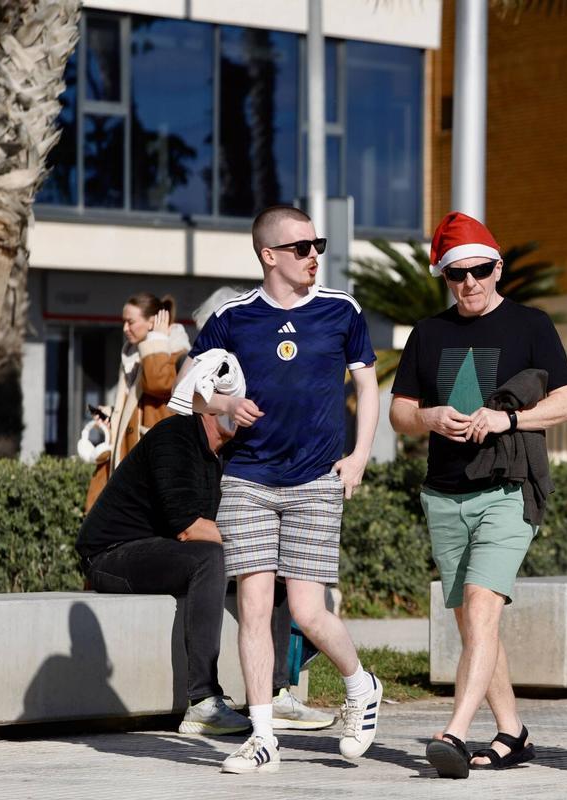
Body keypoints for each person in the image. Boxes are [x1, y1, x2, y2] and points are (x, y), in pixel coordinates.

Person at [178, 205, 381, 774]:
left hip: (316, 478)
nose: (314, 254)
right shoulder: (233, 317)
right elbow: (186, 387)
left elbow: (367, 387)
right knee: (253, 605)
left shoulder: (341, 311)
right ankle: (263, 734)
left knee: (310, 613)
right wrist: (223, 404)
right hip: (247, 480)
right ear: (269, 256)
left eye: (317, 245)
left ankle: (361, 684)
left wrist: (359, 457)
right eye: (301, 247)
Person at [390, 211, 567, 778]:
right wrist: (431, 416)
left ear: (498, 268)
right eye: (457, 274)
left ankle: (453, 732)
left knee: (481, 605)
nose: (470, 283)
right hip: (443, 494)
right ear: (444, 278)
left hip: (509, 489)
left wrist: (509, 421)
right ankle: (513, 734)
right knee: (474, 624)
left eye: (480, 270)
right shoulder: (428, 333)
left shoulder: (531, 325)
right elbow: (400, 413)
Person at [76, 411, 249, 736]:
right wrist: (254, 538)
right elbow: (188, 529)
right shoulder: (175, 436)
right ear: (212, 404)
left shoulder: (229, 452)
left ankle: (276, 692)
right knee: (210, 558)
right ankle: (202, 700)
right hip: (108, 554)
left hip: (156, 548)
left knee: (268, 564)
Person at [85, 292, 190, 510]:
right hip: (133, 462)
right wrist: (113, 415)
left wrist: (157, 342)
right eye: (123, 322)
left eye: (130, 322)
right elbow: (138, 407)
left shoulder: (175, 351)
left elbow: (158, 384)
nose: (125, 328)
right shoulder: (133, 355)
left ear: (153, 321)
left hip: (156, 466)